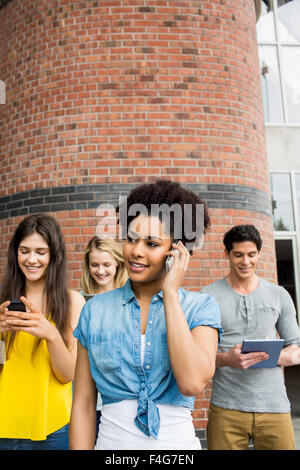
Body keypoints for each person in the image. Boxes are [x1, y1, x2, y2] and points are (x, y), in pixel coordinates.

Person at [69, 179, 222, 450]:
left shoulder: (200, 307)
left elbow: (191, 382)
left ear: (177, 250)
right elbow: (82, 403)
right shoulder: (95, 310)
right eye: (131, 239)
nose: (136, 251)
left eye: (151, 243)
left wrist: (171, 294)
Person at [201, 224, 300, 450]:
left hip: (274, 407)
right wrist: (226, 359)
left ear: (259, 253)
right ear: (226, 254)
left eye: (251, 254)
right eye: (238, 255)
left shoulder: (279, 295)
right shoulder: (207, 297)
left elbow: (297, 348)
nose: (246, 261)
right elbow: (198, 355)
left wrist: (272, 357)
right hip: (226, 409)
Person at [0, 214, 85, 450]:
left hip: (52, 429)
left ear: (54, 255)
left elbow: (67, 374)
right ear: (15, 253)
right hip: (3, 426)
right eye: (24, 251)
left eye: (41, 251)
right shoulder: (3, 301)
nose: (32, 259)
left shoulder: (72, 302)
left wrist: (51, 335)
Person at [80, 236, 128, 433]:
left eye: (106, 264)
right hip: (87, 400)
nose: (100, 271)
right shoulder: (79, 301)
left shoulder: (131, 298)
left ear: (117, 262)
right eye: (94, 265)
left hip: (120, 399)